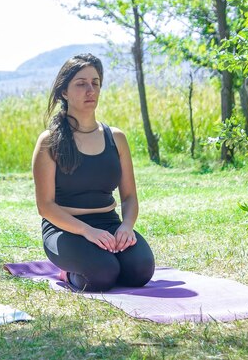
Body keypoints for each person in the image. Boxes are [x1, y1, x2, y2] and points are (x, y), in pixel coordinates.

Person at [31, 53, 155, 292]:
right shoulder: (49, 141)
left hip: (109, 224)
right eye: (81, 83)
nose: (90, 90)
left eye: (95, 83)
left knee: (140, 270)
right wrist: (87, 231)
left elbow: (129, 196)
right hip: (64, 228)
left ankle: (106, 258)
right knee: (102, 275)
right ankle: (67, 272)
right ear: (64, 92)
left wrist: (126, 227)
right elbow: (45, 206)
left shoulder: (116, 138)